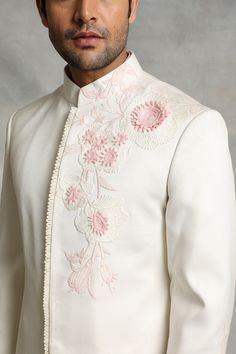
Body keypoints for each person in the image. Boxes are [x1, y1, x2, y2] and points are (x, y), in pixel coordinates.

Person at [0, 0, 235, 353]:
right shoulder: (23, 126)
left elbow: (204, 306)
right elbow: (10, 280)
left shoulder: (189, 127)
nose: (86, 13)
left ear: (132, 6)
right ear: (42, 9)